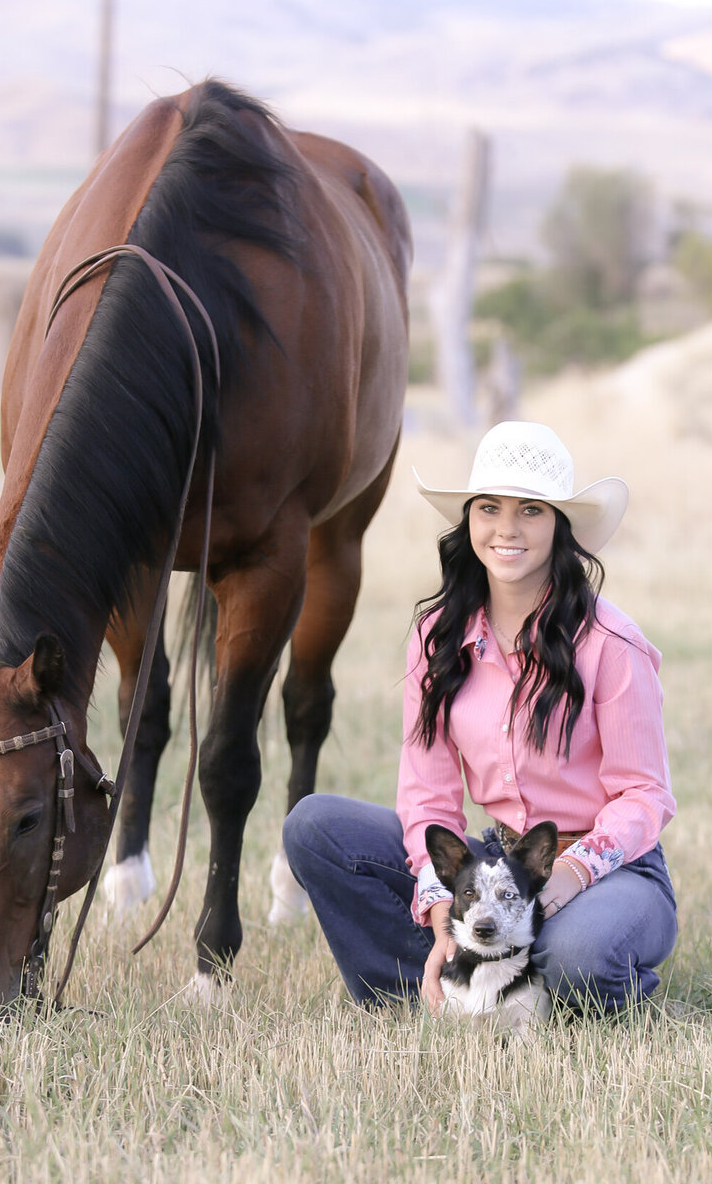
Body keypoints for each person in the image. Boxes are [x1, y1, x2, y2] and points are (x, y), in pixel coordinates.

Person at [281, 421, 677, 1015]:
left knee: (577, 956)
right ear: (468, 520)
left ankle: (584, 988)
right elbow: (427, 799)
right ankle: (437, 994)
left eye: (531, 510)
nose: (506, 529)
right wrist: (441, 905)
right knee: (316, 828)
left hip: (610, 869)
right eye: (489, 507)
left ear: (559, 526)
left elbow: (644, 796)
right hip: (496, 867)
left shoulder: (610, 644)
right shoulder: (437, 638)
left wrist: (570, 874)